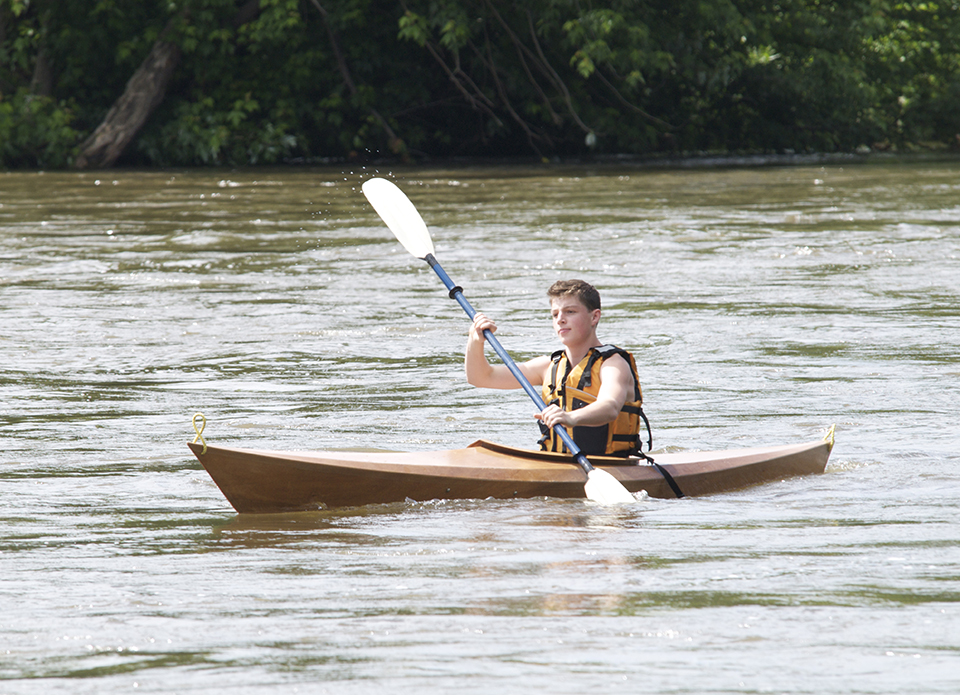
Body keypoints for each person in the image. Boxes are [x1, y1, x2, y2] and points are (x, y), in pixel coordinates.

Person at [465, 279, 645, 456]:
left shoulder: (613, 364)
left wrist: (570, 418)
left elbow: (610, 406)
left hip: (612, 464)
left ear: (594, 316)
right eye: (555, 314)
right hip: (557, 461)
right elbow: (480, 377)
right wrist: (475, 340)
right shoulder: (547, 367)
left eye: (570, 312)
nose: (560, 320)